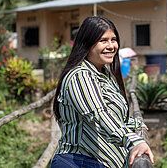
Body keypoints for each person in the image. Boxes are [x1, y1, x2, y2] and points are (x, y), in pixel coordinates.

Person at [51, 16, 154, 168]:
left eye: (113, 39)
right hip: (78, 162)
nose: (111, 46)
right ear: (87, 43)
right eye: (103, 40)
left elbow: (111, 112)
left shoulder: (104, 74)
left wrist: (132, 123)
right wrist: (134, 141)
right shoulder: (80, 76)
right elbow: (98, 114)